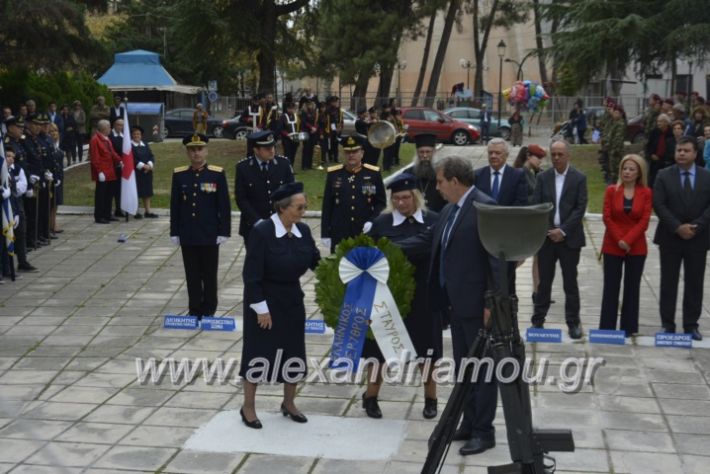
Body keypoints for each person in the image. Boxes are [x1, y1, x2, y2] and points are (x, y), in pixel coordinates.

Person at [398, 155, 500, 456]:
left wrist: (490, 303)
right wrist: (381, 248)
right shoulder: (450, 210)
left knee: (483, 369)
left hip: (477, 305)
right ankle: (468, 422)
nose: (437, 188)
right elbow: (427, 240)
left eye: (441, 182)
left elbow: (497, 260)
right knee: (464, 368)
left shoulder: (484, 207)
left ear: (455, 181)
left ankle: (485, 431)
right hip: (454, 305)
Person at [239, 181, 320, 429]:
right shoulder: (262, 231)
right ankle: (248, 407)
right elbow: (251, 275)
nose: (303, 212)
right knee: (258, 354)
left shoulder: (303, 231)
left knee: (293, 352)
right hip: (265, 301)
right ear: (282, 209)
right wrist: (261, 309)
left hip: (292, 300)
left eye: (304, 207)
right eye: (299, 207)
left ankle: (289, 403)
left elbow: (317, 261)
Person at [362, 173, 441, 419]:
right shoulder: (381, 224)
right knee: (380, 352)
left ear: (416, 197)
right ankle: (371, 396)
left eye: (406, 198)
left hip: (424, 296)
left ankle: (431, 398)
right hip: (388, 296)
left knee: (427, 352)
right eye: (396, 198)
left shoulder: (433, 221)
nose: (401, 203)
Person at [653, 136, 710, 341]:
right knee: (668, 282)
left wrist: (696, 226)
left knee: (694, 283)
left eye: (686, 150)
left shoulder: (706, 177)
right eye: (679, 150)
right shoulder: (663, 175)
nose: (682, 154)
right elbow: (659, 205)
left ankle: (691, 325)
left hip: (698, 238)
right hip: (670, 237)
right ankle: (667, 324)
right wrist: (677, 227)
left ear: (695, 153)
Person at [531, 139, 588, 339]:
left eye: (560, 154)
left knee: (570, 282)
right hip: (547, 239)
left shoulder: (579, 178)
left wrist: (562, 230)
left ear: (568, 155)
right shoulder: (543, 177)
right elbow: (536, 205)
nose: (556, 158)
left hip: (569, 239)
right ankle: (538, 321)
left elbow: (580, 208)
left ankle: (573, 323)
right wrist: (550, 230)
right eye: (553, 154)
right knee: (544, 281)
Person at [170, 133, 231, 319]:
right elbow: (175, 205)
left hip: (209, 233)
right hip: (188, 233)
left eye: (199, 149)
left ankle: (209, 309)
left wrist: (224, 231)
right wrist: (174, 231)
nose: (196, 153)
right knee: (192, 274)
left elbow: (224, 205)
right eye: (192, 150)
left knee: (209, 274)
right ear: (187, 152)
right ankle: (194, 309)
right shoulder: (180, 175)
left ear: (206, 150)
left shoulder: (216, 174)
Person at [599, 155, 652, 337]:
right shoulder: (612, 190)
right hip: (612, 245)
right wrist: (620, 239)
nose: (627, 172)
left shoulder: (646, 193)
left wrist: (628, 240)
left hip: (636, 246)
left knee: (632, 287)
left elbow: (644, 220)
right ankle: (607, 328)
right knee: (610, 287)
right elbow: (607, 217)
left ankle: (629, 328)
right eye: (625, 168)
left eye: (632, 169)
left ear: (639, 173)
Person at [474, 138, 528, 295]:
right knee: (484, 281)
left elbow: (521, 205)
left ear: (506, 155)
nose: (493, 156)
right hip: (483, 237)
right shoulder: (478, 176)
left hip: (507, 239)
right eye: (490, 152)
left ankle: (507, 316)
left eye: (497, 153)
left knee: (506, 283)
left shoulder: (517, 176)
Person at [320, 134, 386, 252]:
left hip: (363, 231)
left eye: (355, 151)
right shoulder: (334, 174)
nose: (351, 155)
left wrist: (373, 221)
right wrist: (325, 233)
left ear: (362, 153)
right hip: (340, 232)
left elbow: (380, 203)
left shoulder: (372, 174)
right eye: (347, 152)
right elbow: (327, 205)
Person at [235, 131, 295, 242]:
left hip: (280, 224)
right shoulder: (243, 168)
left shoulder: (283, 164)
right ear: (256, 150)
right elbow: (241, 199)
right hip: (253, 226)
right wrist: (257, 221)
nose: (272, 150)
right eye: (267, 148)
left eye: (273, 146)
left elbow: (291, 193)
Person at [513, 144, 547, 305]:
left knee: (537, 259)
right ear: (528, 156)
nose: (540, 161)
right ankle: (500, 280)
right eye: (538, 158)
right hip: (523, 223)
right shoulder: (521, 173)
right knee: (520, 258)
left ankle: (537, 292)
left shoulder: (532, 173)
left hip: (533, 222)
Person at [3, 147, 36, 273]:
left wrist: (14, 190)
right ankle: (7, 266)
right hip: (8, 204)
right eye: (7, 155)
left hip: (17, 203)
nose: (10, 158)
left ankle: (22, 261)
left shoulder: (17, 169)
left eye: (12, 156)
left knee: (21, 232)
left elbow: (22, 186)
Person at [89, 120, 122, 224]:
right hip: (102, 172)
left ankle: (107, 214)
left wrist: (120, 160)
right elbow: (95, 158)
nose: (110, 129)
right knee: (101, 195)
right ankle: (99, 216)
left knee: (109, 194)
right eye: (109, 127)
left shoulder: (106, 139)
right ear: (104, 128)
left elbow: (112, 153)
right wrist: (99, 172)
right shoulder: (95, 140)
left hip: (110, 171)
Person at [412, 134, 446, 212]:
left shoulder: (442, 172)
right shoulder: (408, 173)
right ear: (417, 153)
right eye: (421, 152)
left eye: (428, 152)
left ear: (434, 152)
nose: (424, 155)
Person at [131, 126, 157, 219]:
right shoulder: (130, 146)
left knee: (147, 192)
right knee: (136, 192)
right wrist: (143, 166)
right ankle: (136, 212)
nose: (136, 136)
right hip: (136, 173)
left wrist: (149, 165)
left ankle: (147, 211)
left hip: (147, 172)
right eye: (134, 134)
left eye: (138, 134)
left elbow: (151, 156)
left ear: (141, 135)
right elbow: (132, 159)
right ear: (132, 135)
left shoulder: (145, 144)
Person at [645, 113, 675, 188]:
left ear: (666, 122)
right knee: (652, 183)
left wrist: (664, 158)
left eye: (660, 121)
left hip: (666, 163)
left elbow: (671, 149)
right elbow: (649, 146)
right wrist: (651, 154)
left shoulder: (671, 133)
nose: (658, 123)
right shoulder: (655, 132)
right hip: (654, 162)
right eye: (658, 121)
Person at [47, 123, 64, 237]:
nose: (54, 133)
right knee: (50, 203)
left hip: (59, 177)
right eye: (51, 131)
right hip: (50, 177)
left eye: (56, 130)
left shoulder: (57, 145)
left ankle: (53, 223)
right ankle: (49, 225)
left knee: (56, 202)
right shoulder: (48, 145)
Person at [109, 118, 126, 218]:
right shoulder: (110, 136)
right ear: (114, 125)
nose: (120, 127)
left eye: (122, 125)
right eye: (118, 125)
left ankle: (118, 209)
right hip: (113, 166)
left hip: (122, 166)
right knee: (112, 190)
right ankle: (109, 210)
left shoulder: (124, 136)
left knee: (120, 189)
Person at [606, 104, 626, 183]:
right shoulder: (615, 122)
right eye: (614, 112)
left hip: (616, 151)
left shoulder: (620, 124)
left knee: (616, 171)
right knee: (613, 170)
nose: (614, 114)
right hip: (612, 150)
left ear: (621, 114)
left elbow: (618, 139)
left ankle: (616, 185)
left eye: (616, 113)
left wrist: (614, 150)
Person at [279, 101, 299, 166]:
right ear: (287, 109)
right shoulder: (283, 116)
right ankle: (287, 168)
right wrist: (287, 135)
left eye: (293, 108)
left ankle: (291, 168)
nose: (291, 110)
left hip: (295, 138)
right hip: (287, 139)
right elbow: (281, 128)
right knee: (287, 154)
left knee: (293, 153)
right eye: (290, 108)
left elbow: (299, 126)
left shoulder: (296, 116)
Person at [299, 99, 318, 170]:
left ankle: (309, 165)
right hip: (306, 132)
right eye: (308, 104)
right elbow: (304, 122)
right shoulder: (304, 112)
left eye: (310, 104)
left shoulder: (314, 112)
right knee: (306, 149)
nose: (309, 105)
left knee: (311, 148)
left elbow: (316, 121)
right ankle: (304, 165)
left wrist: (315, 128)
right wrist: (311, 128)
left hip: (313, 132)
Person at [325, 96, 344, 163]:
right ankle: (330, 157)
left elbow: (341, 120)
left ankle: (336, 158)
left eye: (336, 102)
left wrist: (340, 127)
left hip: (338, 129)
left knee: (336, 145)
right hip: (330, 130)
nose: (336, 103)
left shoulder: (339, 109)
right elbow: (327, 121)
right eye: (334, 102)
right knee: (330, 145)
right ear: (331, 102)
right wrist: (332, 128)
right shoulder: (328, 110)